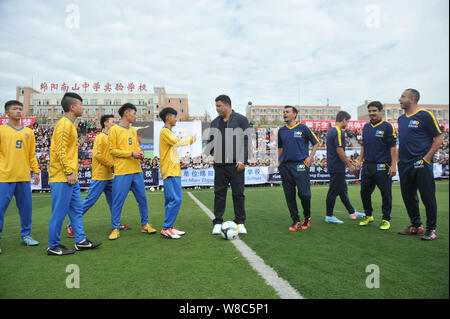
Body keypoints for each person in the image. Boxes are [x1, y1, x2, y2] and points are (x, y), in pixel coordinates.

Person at [47, 93, 101, 256]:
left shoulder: (70, 124)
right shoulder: (64, 125)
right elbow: (60, 151)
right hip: (63, 176)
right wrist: (69, 172)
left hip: (71, 177)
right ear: (72, 107)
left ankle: (81, 241)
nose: (83, 107)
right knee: (59, 212)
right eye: (81, 104)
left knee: (76, 210)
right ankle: (53, 245)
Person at [65, 114, 131, 237]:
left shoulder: (111, 136)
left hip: (109, 176)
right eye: (112, 121)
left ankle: (116, 224)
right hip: (100, 175)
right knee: (90, 201)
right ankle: (70, 224)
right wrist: (111, 164)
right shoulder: (100, 137)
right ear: (105, 123)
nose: (114, 123)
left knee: (114, 202)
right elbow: (97, 155)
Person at [397, 89, 443, 240]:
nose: (399, 99)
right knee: (408, 196)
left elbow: (439, 137)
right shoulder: (401, 119)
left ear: (412, 99)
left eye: (402, 97)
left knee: (427, 196)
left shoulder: (425, 115)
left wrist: (427, 157)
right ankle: (416, 226)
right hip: (404, 164)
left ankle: (431, 229)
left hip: (421, 162)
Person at [108, 103, 156, 240]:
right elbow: (112, 151)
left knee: (142, 199)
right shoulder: (114, 130)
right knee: (118, 201)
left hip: (136, 170)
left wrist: (139, 153)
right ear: (126, 113)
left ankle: (145, 224)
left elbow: (135, 148)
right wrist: (131, 154)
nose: (136, 116)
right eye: (134, 113)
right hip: (122, 171)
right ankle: (116, 228)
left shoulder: (133, 131)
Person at [0, 100, 40, 254]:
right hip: (4, 176)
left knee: (26, 208)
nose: (18, 111)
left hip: (23, 176)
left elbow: (31, 154)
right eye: (15, 109)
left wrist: (36, 171)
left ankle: (26, 235)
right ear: (7, 112)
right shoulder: (2, 130)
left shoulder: (28, 132)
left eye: (20, 109)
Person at [207, 95, 250, 235]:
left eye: (219, 106)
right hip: (219, 164)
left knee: (238, 193)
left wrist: (243, 160)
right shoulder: (214, 122)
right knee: (219, 194)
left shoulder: (241, 120)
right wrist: (209, 154)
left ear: (227, 105)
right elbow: (211, 142)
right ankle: (218, 222)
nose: (217, 109)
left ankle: (240, 222)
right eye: (216, 106)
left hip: (236, 165)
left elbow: (246, 141)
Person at [356, 101, 398, 230]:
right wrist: (359, 160)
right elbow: (364, 145)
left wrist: (393, 165)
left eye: (374, 111)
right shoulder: (366, 127)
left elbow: (393, 147)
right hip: (368, 166)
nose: (372, 113)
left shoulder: (387, 126)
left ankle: (386, 219)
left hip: (383, 166)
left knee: (386, 194)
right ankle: (368, 215)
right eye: (370, 111)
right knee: (364, 192)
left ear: (380, 111)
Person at [277, 105, 319, 231]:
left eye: (287, 112)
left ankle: (307, 217)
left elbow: (316, 142)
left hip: (301, 165)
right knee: (289, 195)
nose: (285, 114)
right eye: (284, 112)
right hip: (285, 166)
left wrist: (310, 157)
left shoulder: (303, 128)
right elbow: (280, 147)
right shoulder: (281, 130)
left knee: (304, 194)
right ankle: (296, 220)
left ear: (295, 114)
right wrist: (279, 162)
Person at [158, 107, 196, 239]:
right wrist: (191, 140)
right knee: (176, 199)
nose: (176, 119)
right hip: (170, 171)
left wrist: (179, 162)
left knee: (171, 200)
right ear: (168, 117)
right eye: (174, 116)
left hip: (173, 169)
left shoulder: (168, 132)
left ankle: (169, 226)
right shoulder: (165, 132)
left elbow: (172, 151)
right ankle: (166, 228)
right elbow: (176, 142)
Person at [325, 111, 365, 224]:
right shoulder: (338, 131)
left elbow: (337, 150)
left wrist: (348, 160)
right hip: (337, 167)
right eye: (347, 121)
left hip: (335, 164)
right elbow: (339, 150)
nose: (347, 123)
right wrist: (349, 165)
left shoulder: (332, 130)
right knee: (333, 191)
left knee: (342, 191)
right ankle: (329, 216)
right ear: (343, 120)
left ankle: (352, 212)